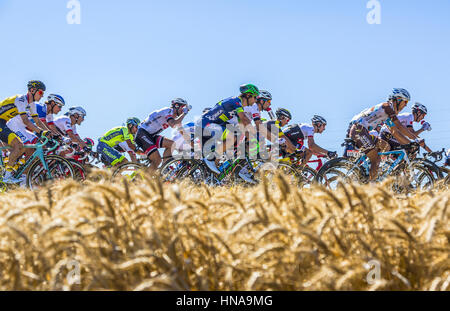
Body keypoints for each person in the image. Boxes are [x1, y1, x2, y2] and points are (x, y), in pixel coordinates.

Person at [349, 88, 425, 181]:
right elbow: (400, 127)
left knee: (386, 146)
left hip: (362, 131)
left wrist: (409, 143)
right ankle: (371, 185)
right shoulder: (387, 107)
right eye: (405, 102)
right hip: (359, 131)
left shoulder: (386, 113)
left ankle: (367, 168)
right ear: (398, 99)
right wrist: (415, 140)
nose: (405, 105)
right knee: (376, 159)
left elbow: (395, 132)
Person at [200, 84, 258, 174]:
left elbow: (242, 126)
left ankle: (211, 173)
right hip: (206, 124)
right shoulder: (236, 101)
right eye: (255, 97)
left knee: (234, 136)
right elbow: (244, 119)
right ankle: (210, 160)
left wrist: (250, 138)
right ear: (248, 95)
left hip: (210, 126)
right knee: (232, 137)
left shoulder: (238, 105)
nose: (255, 101)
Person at [0, 80, 47, 183]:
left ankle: (13, 169)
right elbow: (26, 121)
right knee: (18, 145)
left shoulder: (32, 104)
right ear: (32, 90)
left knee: (22, 146)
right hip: (2, 122)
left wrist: (48, 132)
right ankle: (6, 176)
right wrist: (40, 132)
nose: (42, 96)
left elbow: (37, 121)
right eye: (41, 93)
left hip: (3, 122)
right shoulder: (21, 99)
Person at [135, 98, 191, 172]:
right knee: (157, 160)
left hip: (151, 135)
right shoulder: (167, 111)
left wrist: (191, 143)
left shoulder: (175, 118)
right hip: (142, 133)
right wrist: (185, 114)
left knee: (172, 144)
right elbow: (173, 124)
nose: (183, 110)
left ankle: (164, 168)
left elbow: (181, 130)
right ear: (176, 106)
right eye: (183, 108)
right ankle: (143, 179)